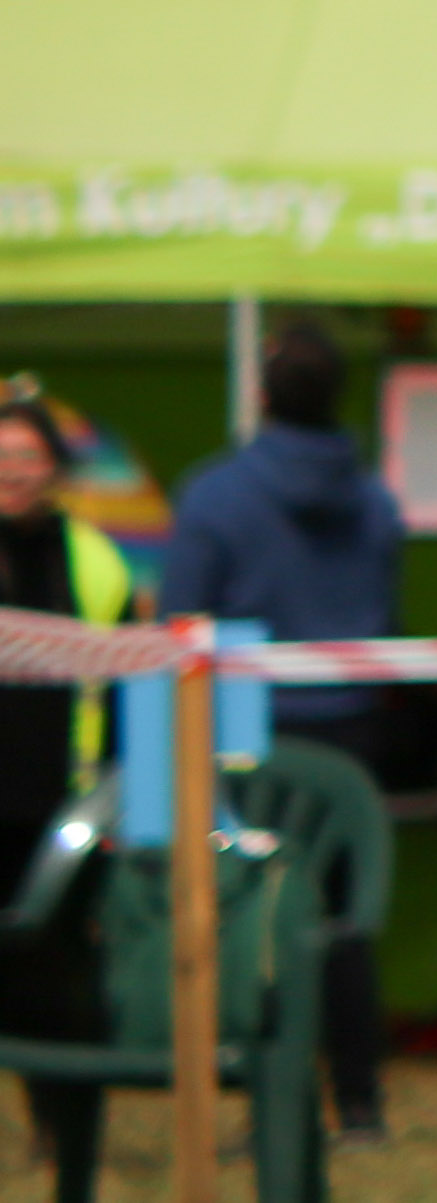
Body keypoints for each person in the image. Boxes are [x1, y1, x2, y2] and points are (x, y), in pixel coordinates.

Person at [161, 311, 402, 1137]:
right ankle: (360, 1102)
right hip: (352, 729)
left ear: (261, 394)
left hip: (242, 730)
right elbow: (387, 614)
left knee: (242, 914)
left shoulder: (214, 493)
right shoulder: (376, 498)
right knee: (341, 920)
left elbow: (177, 624)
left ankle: (256, 1087)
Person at [0, 395, 139, 1203]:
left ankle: (70, 1153)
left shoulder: (97, 560)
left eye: (27, 457)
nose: (13, 473)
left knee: (69, 1006)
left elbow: (128, 690)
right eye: (2, 457)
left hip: (67, 821)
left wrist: (124, 805)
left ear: (56, 467)